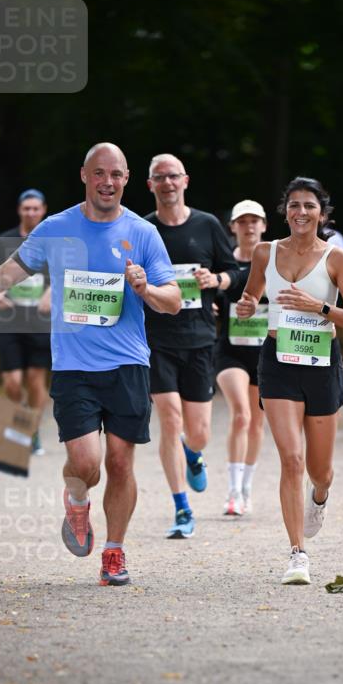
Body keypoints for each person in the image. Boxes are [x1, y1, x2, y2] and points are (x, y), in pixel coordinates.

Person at [0, 143, 180, 587]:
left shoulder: (143, 233)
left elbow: (174, 300)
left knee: (121, 463)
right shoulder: (56, 228)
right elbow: (6, 274)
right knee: (87, 464)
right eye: (99, 173)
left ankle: (114, 552)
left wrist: (146, 289)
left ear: (127, 179)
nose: (107, 182)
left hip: (128, 364)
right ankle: (77, 500)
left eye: (116, 174)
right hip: (74, 367)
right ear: (84, 175)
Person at [236, 177, 343, 585]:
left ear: (322, 213)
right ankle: (298, 554)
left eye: (309, 205)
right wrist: (246, 305)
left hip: (322, 361)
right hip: (278, 360)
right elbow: (252, 294)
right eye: (294, 205)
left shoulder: (337, 258)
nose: (301, 212)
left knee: (319, 471)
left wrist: (319, 306)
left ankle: (320, 497)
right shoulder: (265, 252)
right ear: (285, 211)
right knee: (291, 459)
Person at [144, 153, 240, 538]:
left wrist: (215, 281)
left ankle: (193, 453)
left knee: (198, 433)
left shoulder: (207, 225)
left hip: (199, 339)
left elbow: (233, 272)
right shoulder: (143, 229)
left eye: (173, 176)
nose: (167, 183)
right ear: (150, 184)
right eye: (159, 177)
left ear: (185, 181)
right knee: (169, 419)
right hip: (157, 340)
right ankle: (182, 508)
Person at [214, 199, 267, 516]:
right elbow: (210, 295)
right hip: (230, 351)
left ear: (264, 226)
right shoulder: (225, 264)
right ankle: (233, 492)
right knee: (241, 415)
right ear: (233, 227)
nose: (249, 227)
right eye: (242, 222)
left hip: (263, 354)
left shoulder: (275, 263)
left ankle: (246, 488)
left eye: (254, 221)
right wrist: (211, 305)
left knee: (257, 423)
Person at [0, 189, 52, 455]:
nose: (30, 212)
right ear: (19, 210)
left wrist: (51, 293)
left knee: (35, 380)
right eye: (26, 208)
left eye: (35, 208)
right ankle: (20, 418)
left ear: (43, 210)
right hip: (9, 320)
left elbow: (64, 273)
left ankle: (31, 431)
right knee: (13, 382)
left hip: (40, 321)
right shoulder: (4, 240)